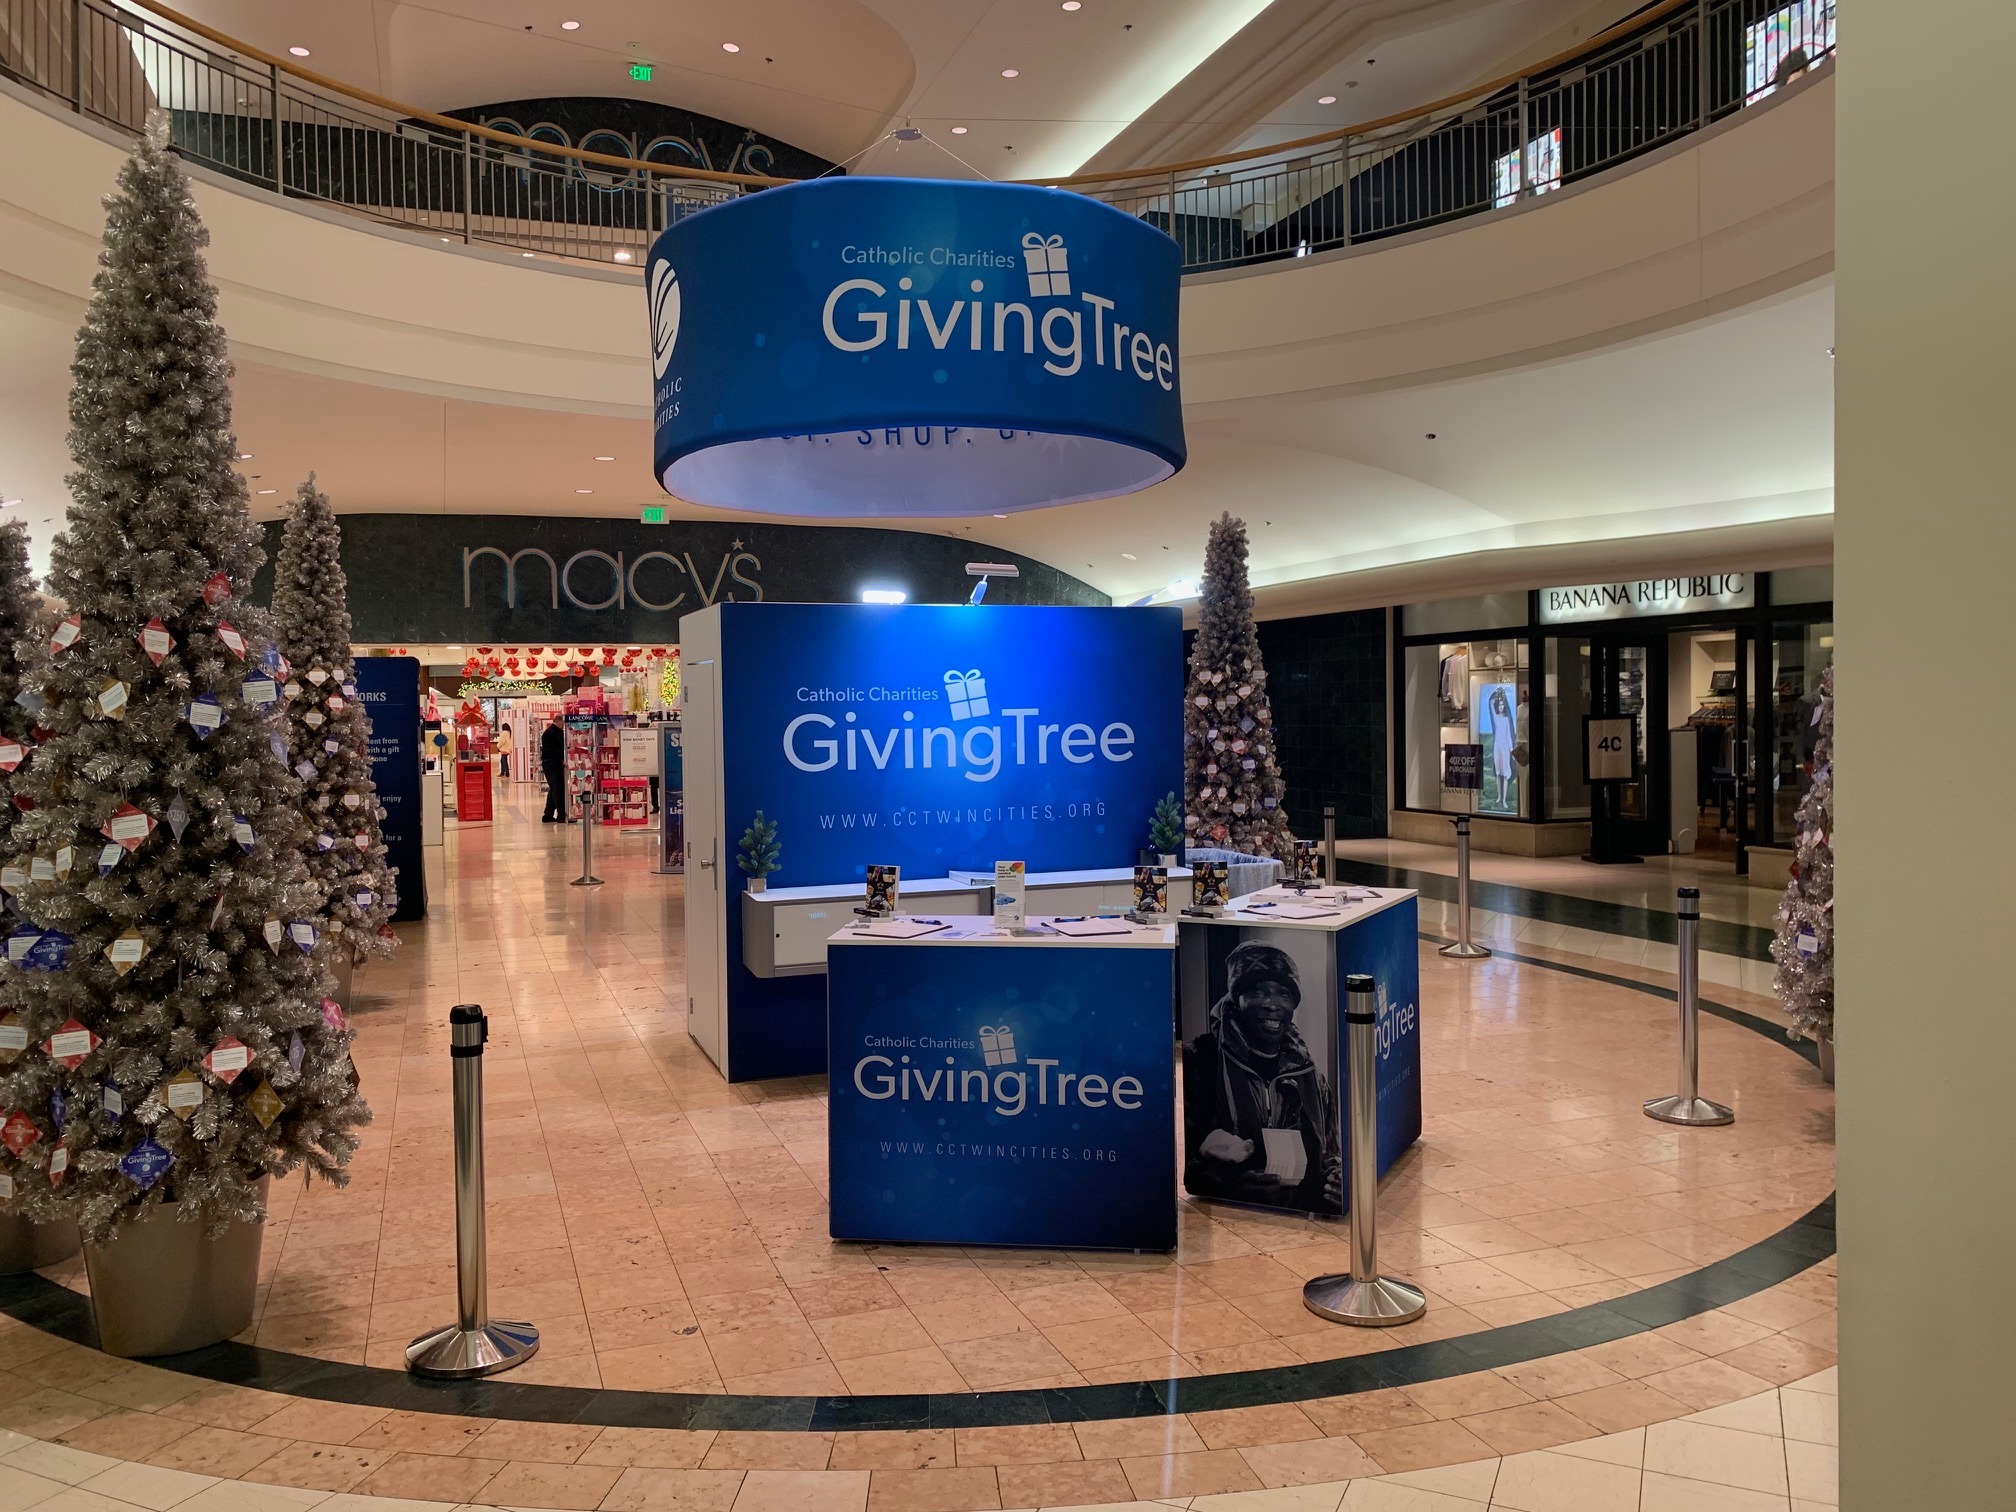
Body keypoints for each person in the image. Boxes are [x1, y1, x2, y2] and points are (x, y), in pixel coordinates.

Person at [1183, 940, 1342, 1210]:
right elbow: (1185, 1158)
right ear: (1236, 998)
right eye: (1258, 991)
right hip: (1229, 1223)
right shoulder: (1201, 1060)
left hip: (1304, 1228)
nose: (1272, 1004)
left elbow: (1330, 1157)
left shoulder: (1310, 1076)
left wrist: (1337, 1183)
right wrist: (1230, 1184)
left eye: (1283, 993)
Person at [540, 715, 568, 823]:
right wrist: (564, 754)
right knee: (558, 789)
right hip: (551, 763)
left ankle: (548, 814)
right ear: (557, 721)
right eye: (562, 723)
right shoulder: (549, 733)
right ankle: (561, 815)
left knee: (554, 788)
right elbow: (551, 750)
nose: (563, 725)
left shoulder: (557, 732)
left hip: (554, 763)